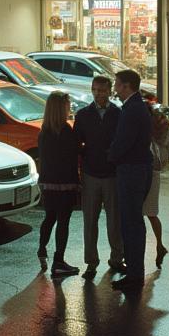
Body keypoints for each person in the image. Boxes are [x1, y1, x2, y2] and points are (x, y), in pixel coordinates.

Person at [73, 75, 125, 281]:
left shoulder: (117, 114)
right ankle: (91, 262)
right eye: (94, 90)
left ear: (109, 91)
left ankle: (116, 258)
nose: (98, 94)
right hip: (91, 173)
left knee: (114, 220)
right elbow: (77, 142)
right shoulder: (84, 115)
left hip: (111, 173)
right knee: (90, 221)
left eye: (102, 90)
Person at [107, 69, 153, 293]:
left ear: (126, 86)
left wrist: (110, 157)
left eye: (117, 84)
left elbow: (123, 141)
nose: (115, 88)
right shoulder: (139, 106)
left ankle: (135, 275)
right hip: (139, 168)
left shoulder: (131, 109)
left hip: (131, 170)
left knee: (131, 223)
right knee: (134, 223)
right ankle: (135, 271)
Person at [36, 91, 80, 279]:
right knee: (64, 221)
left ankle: (42, 249)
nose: (69, 108)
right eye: (67, 105)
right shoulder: (66, 131)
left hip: (48, 182)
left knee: (50, 217)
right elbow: (73, 156)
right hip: (65, 182)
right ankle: (59, 260)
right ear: (61, 108)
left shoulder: (44, 131)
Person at [143, 105, 169, 268]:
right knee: (152, 213)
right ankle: (159, 245)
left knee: (142, 214)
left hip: (148, 171)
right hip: (155, 170)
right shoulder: (161, 126)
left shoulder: (149, 128)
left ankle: (157, 246)